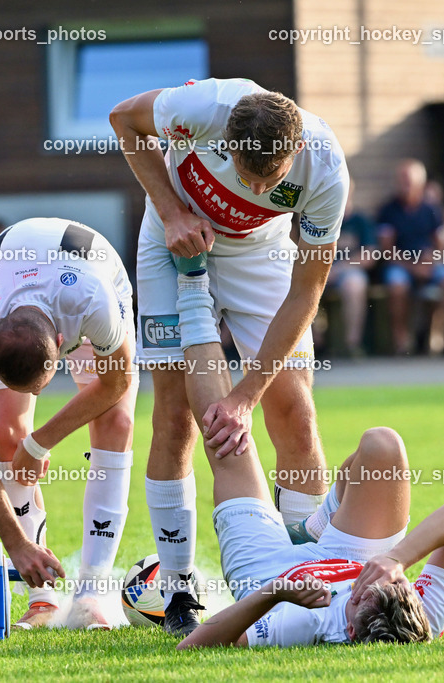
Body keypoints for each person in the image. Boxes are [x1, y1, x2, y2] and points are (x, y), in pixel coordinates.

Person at [111, 78, 348, 634]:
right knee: (174, 415)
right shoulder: (203, 107)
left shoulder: (326, 170)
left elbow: (307, 292)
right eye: (244, 173)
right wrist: (170, 212)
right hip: (170, 235)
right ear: (227, 137)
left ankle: (301, 570)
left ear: (296, 154)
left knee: (293, 408)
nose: (253, 186)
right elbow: (125, 119)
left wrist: (245, 394)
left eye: (269, 180)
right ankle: (176, 590)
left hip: (260, 254)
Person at [0, 218, 137, 630]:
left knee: (116, 421)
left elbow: (116, 382)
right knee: (5, 434)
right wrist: (14, 544)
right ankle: (42, 597)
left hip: (93, 266)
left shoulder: (93, 302)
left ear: (61, 344)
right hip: (10, 275)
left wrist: (38, 445)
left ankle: (92, 590)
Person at [177, 427, 444, 649]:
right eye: (396, 584)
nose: (364, 582)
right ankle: (316, 526)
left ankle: (195, 336)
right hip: (347, 554)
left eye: (361, 593)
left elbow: (193, 646)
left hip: (269, 571)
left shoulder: (308, 622)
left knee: (225, 433)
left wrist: (276, 591)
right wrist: (395, 559)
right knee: (382, 445)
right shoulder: (425, 616)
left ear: (350, 629)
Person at [377, 160, 444, 355]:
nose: (403, 184)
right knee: (397, 286)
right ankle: (401, 342)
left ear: (420, 183)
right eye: (401, 179)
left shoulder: (432, 210)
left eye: (408, 180)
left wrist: (430, 260)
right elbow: (387, 250)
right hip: (401, 264)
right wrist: (414, 267)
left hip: (428, 263)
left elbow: (440, 245)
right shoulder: (388, 211)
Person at [325, 178, 376, 356]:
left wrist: (341, 268)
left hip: (347, 271)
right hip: (319, 271)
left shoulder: (360, 220)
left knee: (355, 285)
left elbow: (369, 256)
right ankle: (313, 345)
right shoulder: (320, 216)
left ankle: (352, 345)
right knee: (303, 283)